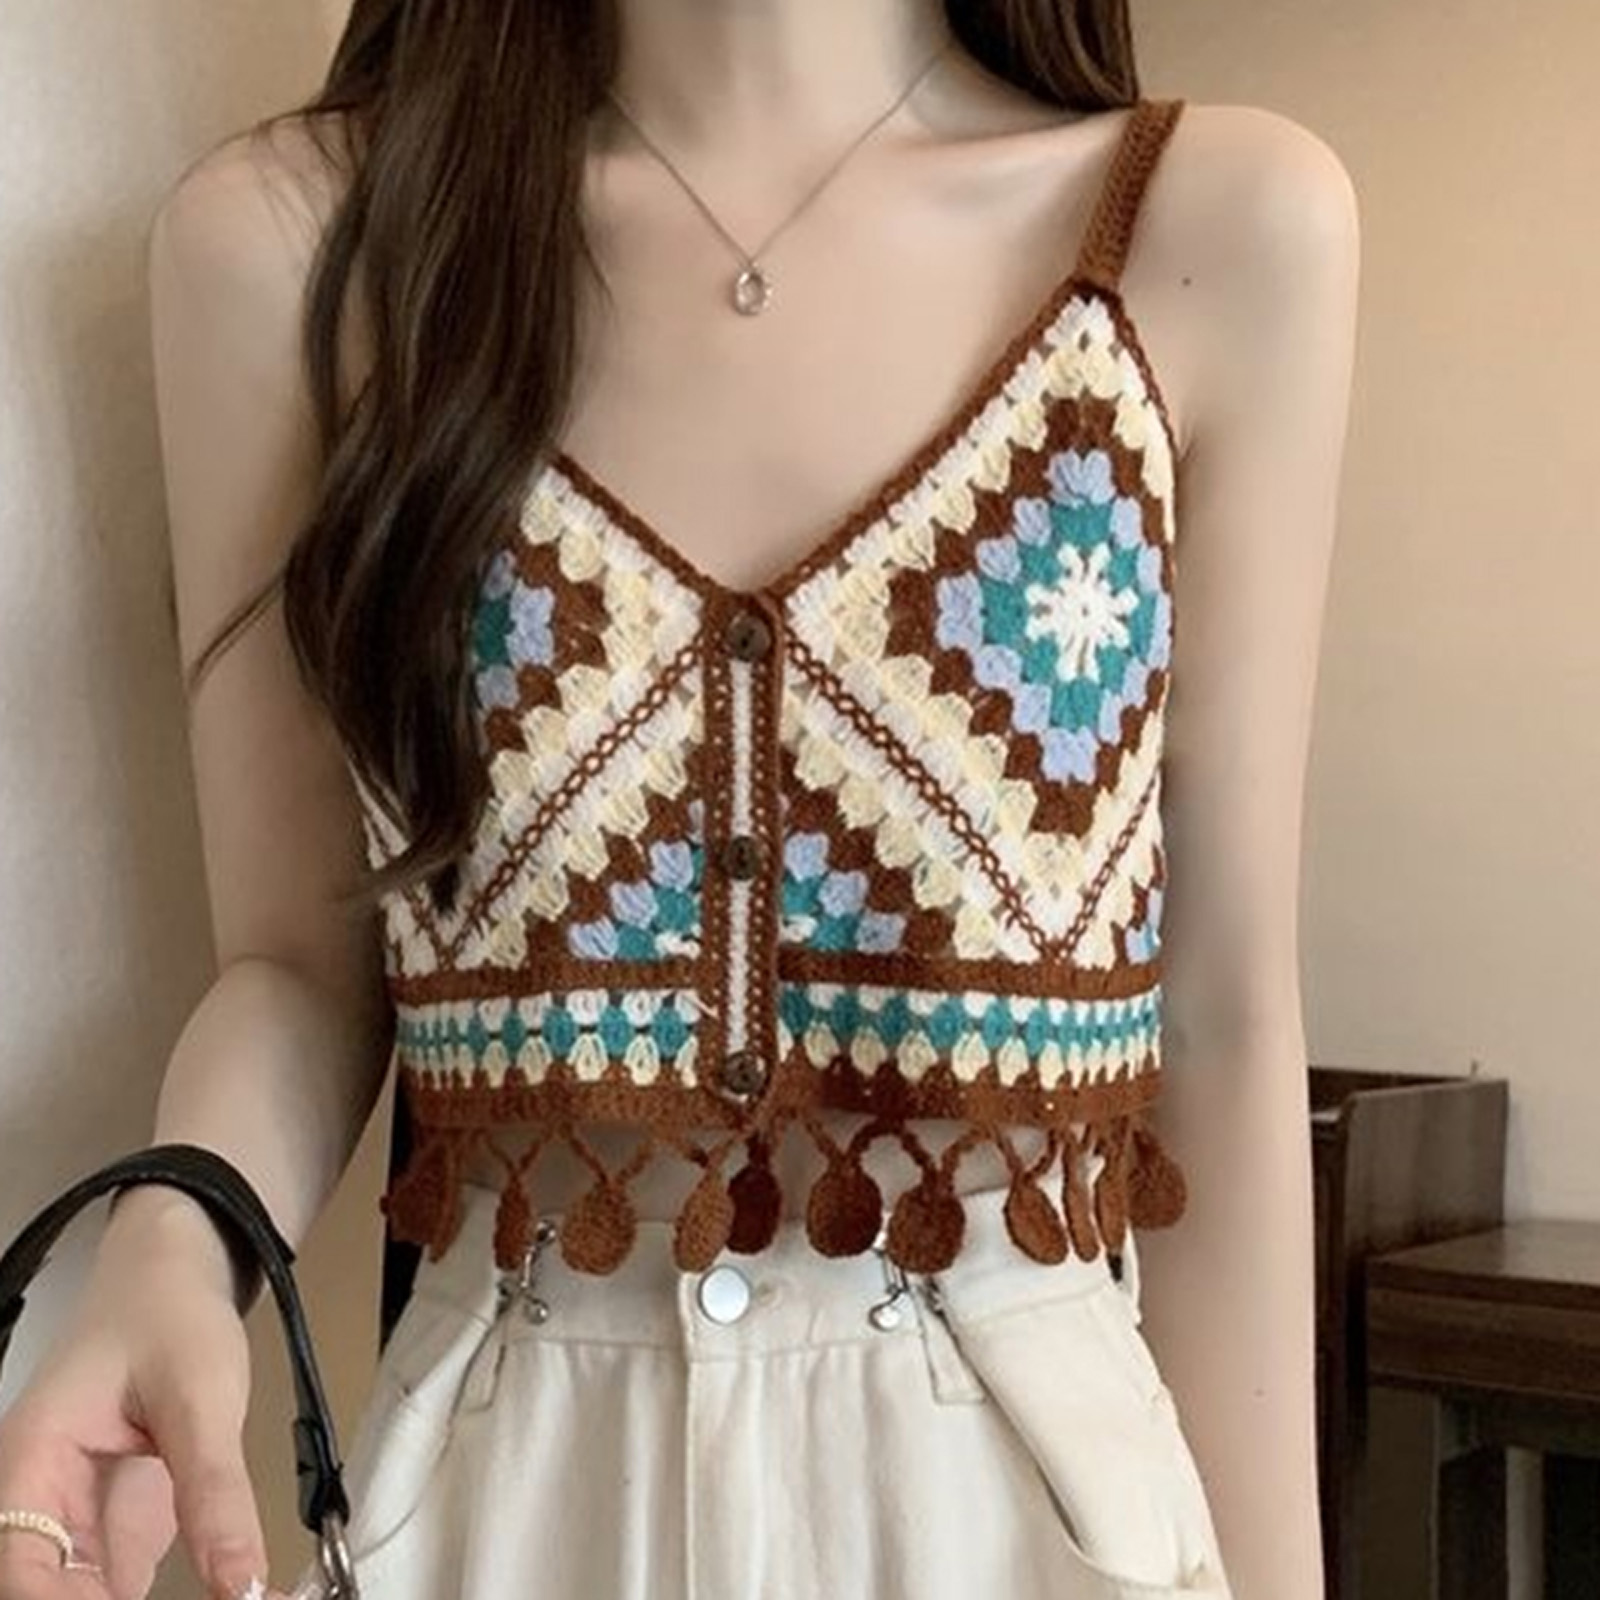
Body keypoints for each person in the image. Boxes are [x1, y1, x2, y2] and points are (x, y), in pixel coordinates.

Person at [0, 2, 1359, 1597]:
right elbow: (301, 967)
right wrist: (177, 1232)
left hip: (1032, 1516)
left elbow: (1221, 1018)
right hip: (508, 1503)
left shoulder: (1214, 228)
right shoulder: (299, 249)